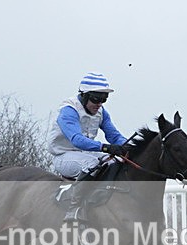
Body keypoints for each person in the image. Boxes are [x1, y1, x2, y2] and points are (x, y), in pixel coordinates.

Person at [48, 72, 131, 222]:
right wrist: (106, 148)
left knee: (114, 161)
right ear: (85, 95)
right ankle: (73, 209)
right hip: (63, 156)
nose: (99, 104)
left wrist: (127, 146)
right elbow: (77, 140)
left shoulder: (101, 112)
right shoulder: (69, 110)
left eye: (104, 99)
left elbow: (114, 136)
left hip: (84, 154)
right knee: (93, 163)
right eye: (96, 99)